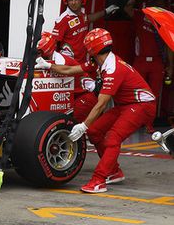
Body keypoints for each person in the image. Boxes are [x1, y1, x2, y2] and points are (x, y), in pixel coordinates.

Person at [65, 28, 155, 193]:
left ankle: (99, 180)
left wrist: (83, 125)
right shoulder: (101, 63)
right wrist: (47, 64)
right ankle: (113, 172)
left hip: (142, 105)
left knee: (113, 138)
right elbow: (72, 70)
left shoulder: (113, 69)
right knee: (95, 132)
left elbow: (101, 104)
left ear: (91, 49)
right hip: (126, 104)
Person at [124, 0, 170, 121]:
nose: (159, 8)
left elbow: (168, 45)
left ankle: (149, 123)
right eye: (157, 5)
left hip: (157, 62)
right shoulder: (141, 16)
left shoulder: (165, 21)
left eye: (162, 6)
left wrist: (171, 66)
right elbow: (127, 8)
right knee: (135, 92)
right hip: (141, 61)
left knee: (153, 95)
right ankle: (133, 120)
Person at [35, 32, 98, 122]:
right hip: (70, 97)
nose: (36, 55)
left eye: (38, 52)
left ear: (45, 51)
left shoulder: (62, 62)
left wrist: (48, 65)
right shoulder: (44, 61)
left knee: (71, 124)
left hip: (84, 95)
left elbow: (64, 70)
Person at [51, 0, 119, 63]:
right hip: (68, 62)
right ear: (66, 1)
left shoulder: (82, 14)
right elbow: (53, 42)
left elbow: (89, 18)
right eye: (70, 0)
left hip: (82, 60)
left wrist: (106, 11)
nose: (73, 2)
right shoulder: (63, 19)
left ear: (82, 0)